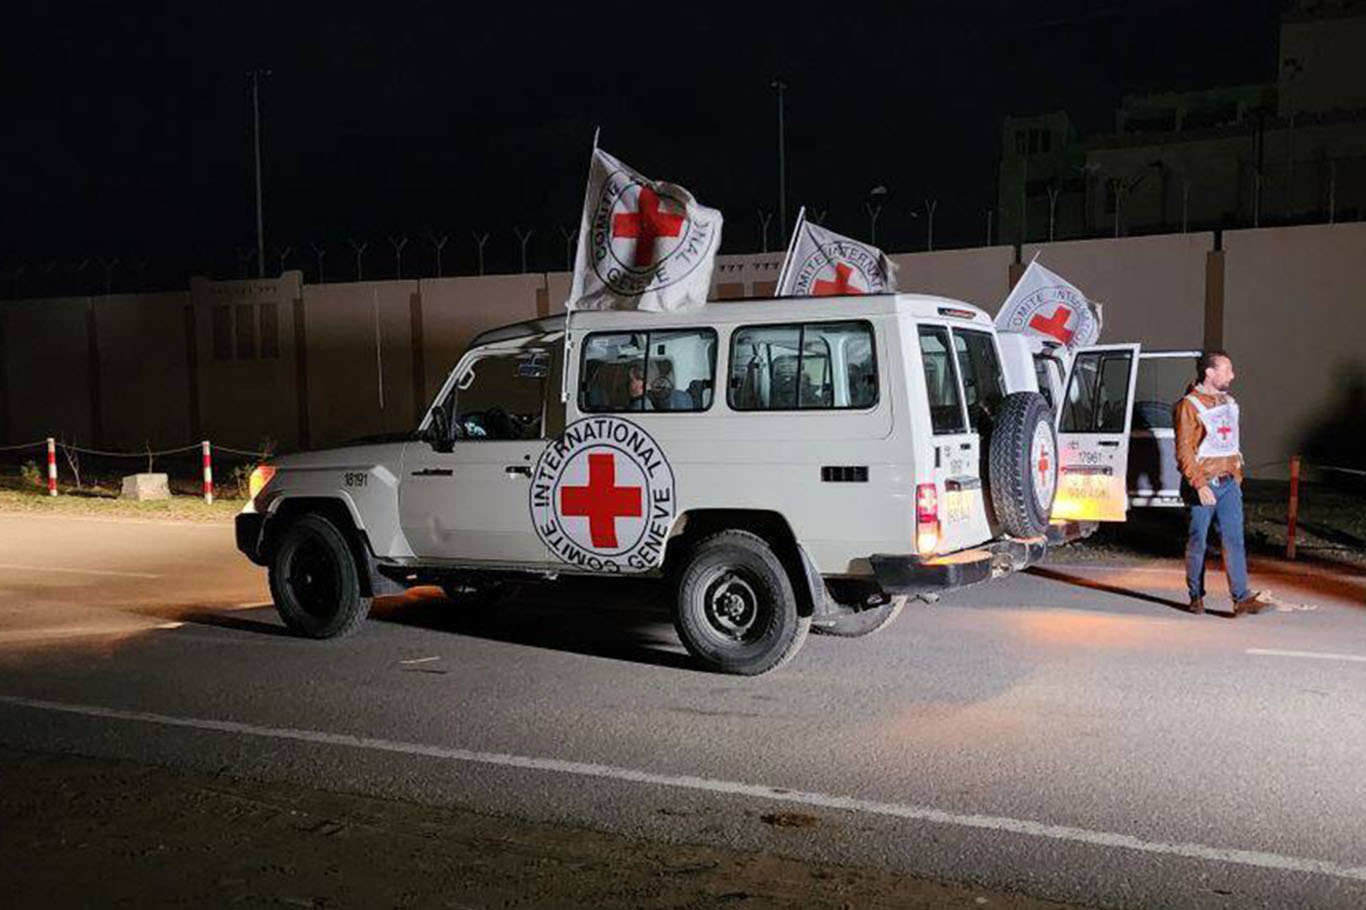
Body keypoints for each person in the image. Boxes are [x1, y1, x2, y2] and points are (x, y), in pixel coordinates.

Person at [1173, 350, 1268, 616]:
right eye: (1227, 370)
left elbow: (1229, 442)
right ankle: (1196, 596)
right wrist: (1199, 484)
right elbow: (1184, 450)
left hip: (1228, 485)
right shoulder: (1188, 406)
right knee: (1198, 542)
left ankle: (1241, 599)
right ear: (1210, 373)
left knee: (1234, 540)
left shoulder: (1227, 401)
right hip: (1203, 485)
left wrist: (1236, 477)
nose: (1233, 375)